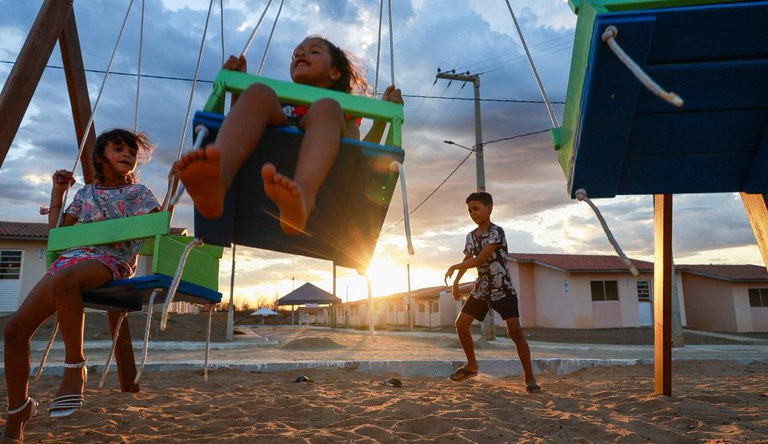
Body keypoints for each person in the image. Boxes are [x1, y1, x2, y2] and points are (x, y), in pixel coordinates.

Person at [2, 129, 160, 441]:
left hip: (110, 261)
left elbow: (158, 224)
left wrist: (177, 183)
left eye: (132, 151)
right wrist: (57, 193)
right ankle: (18, 410)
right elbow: (58, 233)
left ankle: (75, 366)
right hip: (70, 261)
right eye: (119, 149)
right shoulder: (85, 194)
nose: (128, 154)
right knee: (13, 332)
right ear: (101, 157)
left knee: (64, 279)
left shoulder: (139, 194)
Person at [175, 35, 402, 235]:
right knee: (258, 92)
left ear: (334, 72)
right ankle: (220, 177)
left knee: (327, 107)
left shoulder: (341, 113)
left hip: (325, 190)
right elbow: (241, 124)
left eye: (314, 51)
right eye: (297, 53)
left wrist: (381, 122)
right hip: (257, 171)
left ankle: (302, 196)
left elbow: (356, 154)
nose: (301, 53)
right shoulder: (277, 102)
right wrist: (239, 88)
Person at [444, 192, 541, 393]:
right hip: (481, 288)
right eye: (470, 210)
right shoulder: (470, 236)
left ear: (489, 208)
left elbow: (480, 260)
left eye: (476, 208)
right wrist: (456, 283)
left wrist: (452, 267)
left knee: (515, 333)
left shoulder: (497, 232)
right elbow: (467, 260)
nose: (473, 213)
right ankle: (471, 366)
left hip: (502, 287)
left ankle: (530, 379)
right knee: (461, 325)